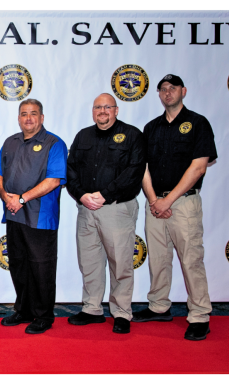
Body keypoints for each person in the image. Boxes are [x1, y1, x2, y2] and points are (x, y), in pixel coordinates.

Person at [134, 75, 218, 342]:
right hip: (154, 203)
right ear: (158, 94)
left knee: (191, 260)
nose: (167, 93)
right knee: (158, 259)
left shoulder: (198, 123)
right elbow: (143, 168)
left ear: (184, 91)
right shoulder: (151, 128)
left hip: (182, 204)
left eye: (173, 88)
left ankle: (199, 315)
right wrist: (153, 200)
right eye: (163, 89)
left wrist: (167, 202)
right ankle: (159, 306)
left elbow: (199, 166)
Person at [66, 94, 147, 335]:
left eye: (107, 107)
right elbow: (71, 169)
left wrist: (105, 194)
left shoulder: (132, 135)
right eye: (98, 107)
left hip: (116, 208)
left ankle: (122, 312)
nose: (102, 111)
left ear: (116, 110)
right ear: (93, 111)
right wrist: (81, 195)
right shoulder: (83, 136)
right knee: (89, 262)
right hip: (86, 208)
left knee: (120, 262)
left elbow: (134, 171)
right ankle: (92, 308)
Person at [0, 99, 68, 335]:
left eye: (33, 114)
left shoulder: (54, 143)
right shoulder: (10, 143)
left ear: (42, 118)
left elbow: (54, 180)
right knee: (19, 264)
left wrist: (21, 199)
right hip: (14, 215)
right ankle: (24, 309)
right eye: (24, 114)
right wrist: (7, 198)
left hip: (40, 217)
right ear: (18, 118)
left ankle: (44, 315)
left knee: (41, 268)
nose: (28, 118)